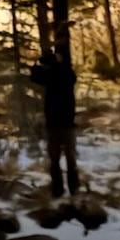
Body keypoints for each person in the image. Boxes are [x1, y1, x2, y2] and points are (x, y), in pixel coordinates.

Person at [29, 49, 79, 197]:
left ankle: (57, 191)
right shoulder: (67, 74)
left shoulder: (50, 75)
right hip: (67, 123)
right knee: (70, 159)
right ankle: (73, 189)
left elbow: (35, 77)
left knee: (55, 160)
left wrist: (36, 67)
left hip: (54, 124)